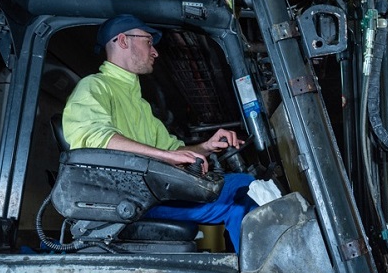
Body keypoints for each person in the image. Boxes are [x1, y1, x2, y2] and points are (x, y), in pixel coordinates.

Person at [61, 14, 257, 250]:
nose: (155, 52)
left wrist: (206, 147)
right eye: (148, 42)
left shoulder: (139, 104)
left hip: (148, 196)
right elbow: (95, 140)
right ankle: (259, 271)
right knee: (242, 191)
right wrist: (166, 157)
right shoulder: (95, 86)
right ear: (123, 41)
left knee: (244, 187)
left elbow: (172, 149)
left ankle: (253, 269)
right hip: (128, 202)